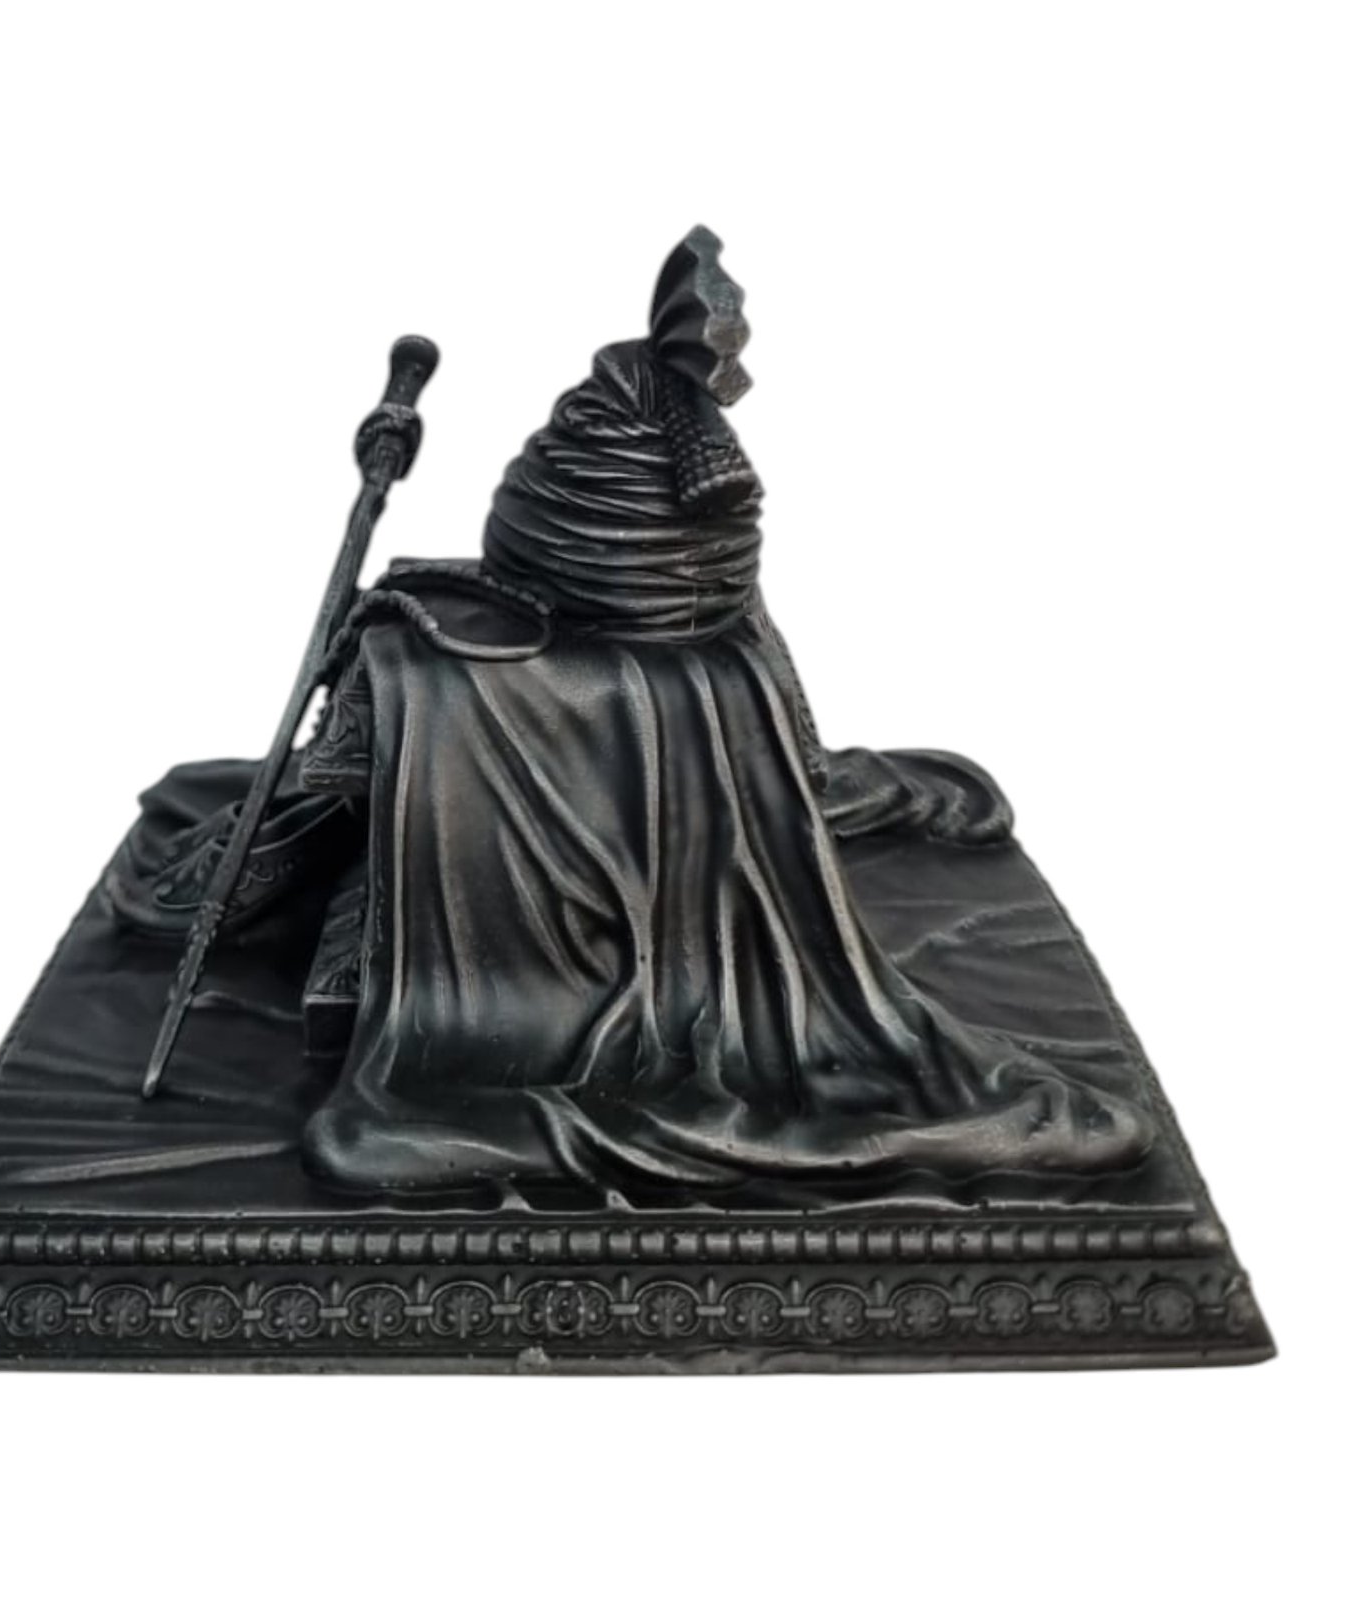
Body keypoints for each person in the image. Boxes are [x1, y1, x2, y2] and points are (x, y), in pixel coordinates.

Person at [111, 227, 1152, 1195]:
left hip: (638, 595)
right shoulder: (614, 408)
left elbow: (704, 524)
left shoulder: (694, 470)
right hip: (569, 573)